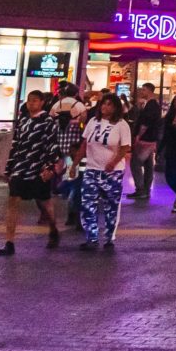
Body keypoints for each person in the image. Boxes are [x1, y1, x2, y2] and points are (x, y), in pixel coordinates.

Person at [0, 91, 64, 256]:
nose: (31, 104)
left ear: (42, 102)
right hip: (21, 167)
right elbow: (15, 144)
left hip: (39, 167)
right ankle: (9, 242)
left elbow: (53, 145)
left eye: (35, 101)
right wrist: (9, 168)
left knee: (44, 201)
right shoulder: (23, 120)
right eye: (29, 101)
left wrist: (50, 167)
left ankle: (53, 228)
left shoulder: (48, 122)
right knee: (13, 201)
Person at [75, 93, 131, 250]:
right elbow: (85, 143)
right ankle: (91, 237)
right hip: (92, 169)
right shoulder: (93, 122)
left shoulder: (122, 125)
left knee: (111, 205)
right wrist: (75, 164)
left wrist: (113, 162)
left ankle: (109, 237)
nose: (105, 107)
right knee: (87, 204)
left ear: (116, 108)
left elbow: (125, 147)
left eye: (109, 104)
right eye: (103, 104)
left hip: (112, 173)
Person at [128, 84, 163, 202]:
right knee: (148, 164)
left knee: (135, 163)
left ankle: (140, 189)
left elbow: (145, 123)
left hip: (146, 139)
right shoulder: (154, 105)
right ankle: (146, 189)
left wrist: (138, 136)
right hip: (151, 139)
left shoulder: (151, 106)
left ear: (149, 91)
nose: (141, 91)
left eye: (143, 89)